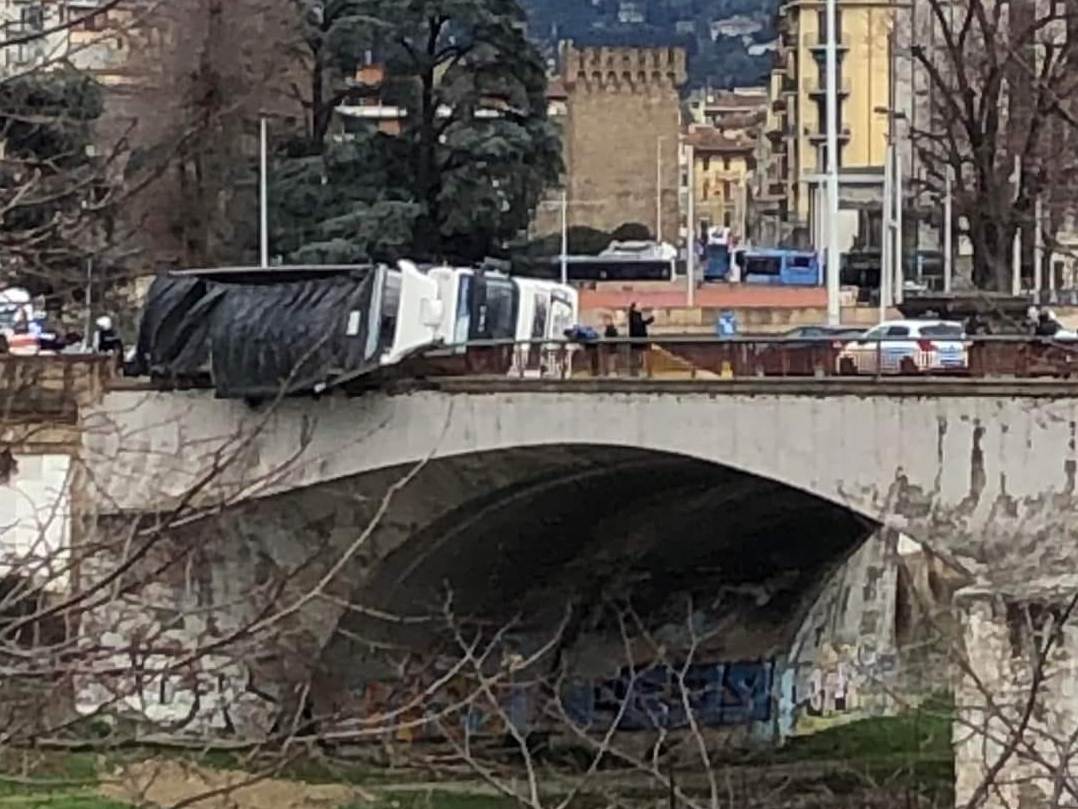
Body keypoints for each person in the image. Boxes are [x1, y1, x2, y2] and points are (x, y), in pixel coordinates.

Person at [627, 303, 653, 376]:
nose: (641, 307)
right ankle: (638, 373)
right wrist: (648, 321)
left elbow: (641, 324)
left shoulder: (637, 315)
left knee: (636, 356)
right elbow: (639, 325)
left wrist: (649, 320)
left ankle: (637, 373)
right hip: (638, 339)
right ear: (634, 308)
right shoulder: (634, 315)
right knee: (636, 356)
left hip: (638, 339)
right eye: (639, 306)